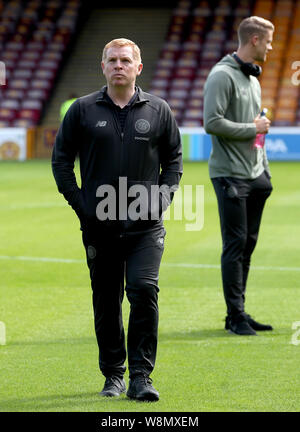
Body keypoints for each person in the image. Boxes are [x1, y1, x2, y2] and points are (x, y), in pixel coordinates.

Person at [52, 38, 182, 400]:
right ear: (103, 66)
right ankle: (114, 375)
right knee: (106, 299)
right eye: (112, 60)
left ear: (138, 67)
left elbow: (174, 162)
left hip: (145, 226)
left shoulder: (159, 110)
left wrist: (161, 200)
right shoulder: (81, 110)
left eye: (126, 60)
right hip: (99, 226)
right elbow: (61, 161)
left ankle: (142, 376)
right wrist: (82, 206)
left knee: (143, 290)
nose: (119, 65)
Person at [204, 17, 275, 336]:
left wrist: (265, 170)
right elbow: (212, 122)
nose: (272, 47)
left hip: (255, 175)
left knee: (248, 245)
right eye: (269, 41)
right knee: (235, 245)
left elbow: (256, 129)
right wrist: (252, 128)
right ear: (256, 40)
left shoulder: (253, 79)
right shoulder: (221, 75)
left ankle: (241, 311)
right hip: (230, 176)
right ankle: (234, 317)